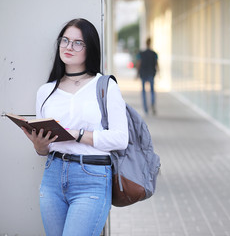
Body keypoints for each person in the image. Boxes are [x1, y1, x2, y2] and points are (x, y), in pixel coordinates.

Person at [21, 18, 128, 236]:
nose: (69, 47)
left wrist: (76, 134)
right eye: (65, 40)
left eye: (78, 42)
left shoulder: (105, 86)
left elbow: (120, 139)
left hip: (92, 177)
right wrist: (39, 145)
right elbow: (44, 151)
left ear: (90, 48)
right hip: (52, 177)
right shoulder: (46, 91)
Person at [136, 37, 159, 115]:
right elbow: (156, 63)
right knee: (152, 90)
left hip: (143, 73)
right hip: (151, 73)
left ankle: (145, 109)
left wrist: (137, 73)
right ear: (150, 43)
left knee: (143, 92)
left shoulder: (141, 53)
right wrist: (159, 72)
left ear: (145, 43)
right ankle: (152, 103)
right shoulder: (154, 53)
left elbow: (138, 63)